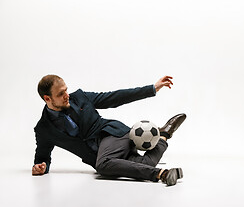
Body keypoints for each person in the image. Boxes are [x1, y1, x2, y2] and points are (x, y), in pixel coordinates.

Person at [32, 74, 186, 186]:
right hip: (103, 156)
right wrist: (40, 167)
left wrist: (152, 88)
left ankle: (162, 174)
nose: (67, 95)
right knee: (146, 163)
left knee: (103, 165)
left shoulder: (79, 97)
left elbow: (114, 97)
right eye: (61, 94)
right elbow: (42, 157)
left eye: (66, 90)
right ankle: (164, 135)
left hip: (114, 135)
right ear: (47, 98)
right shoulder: (44, 129)